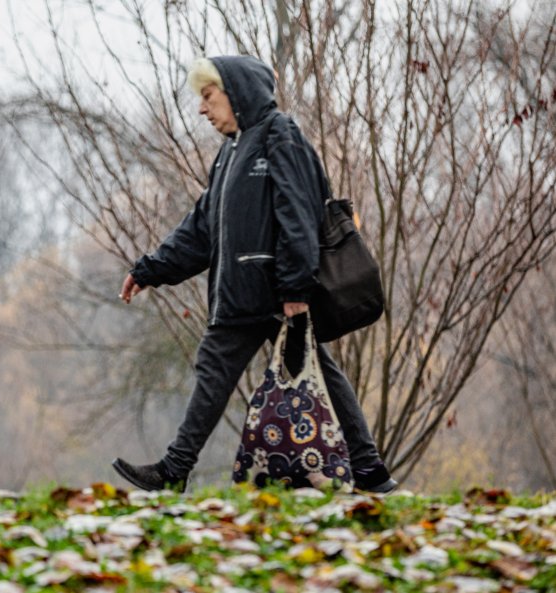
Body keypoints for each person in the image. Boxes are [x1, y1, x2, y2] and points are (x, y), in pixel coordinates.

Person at [111, 55, 397, 494]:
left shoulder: (280, 135)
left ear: (236, 92)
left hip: (280, 294)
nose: (203, 109)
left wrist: (296, 288)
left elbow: (298, 213)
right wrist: (149, 270)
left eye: (208, 97)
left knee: (318, 372)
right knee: (217, 371)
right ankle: (175, 468)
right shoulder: (230, 152)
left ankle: (369, 470)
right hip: (240, 296)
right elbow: (201, 228)